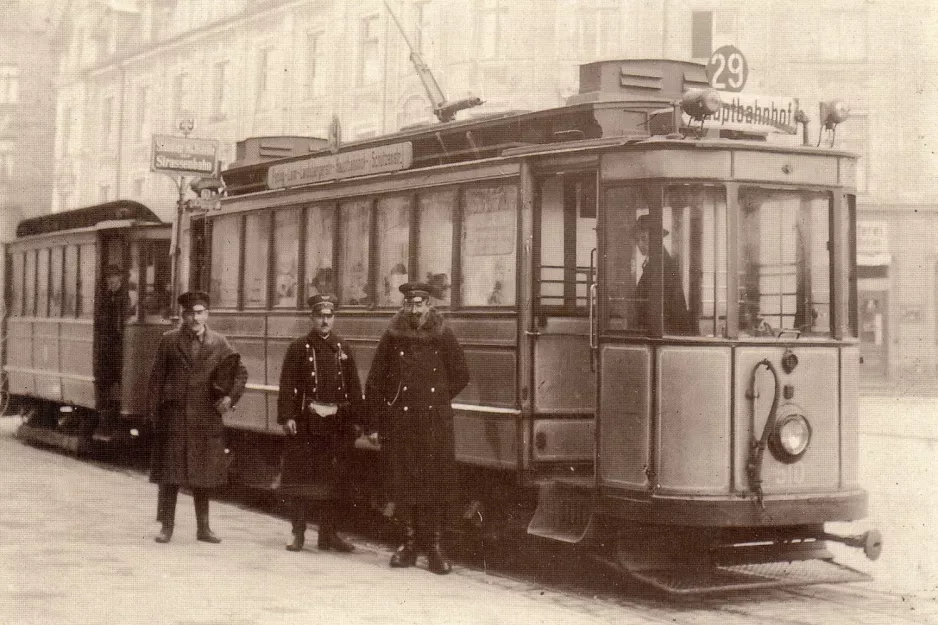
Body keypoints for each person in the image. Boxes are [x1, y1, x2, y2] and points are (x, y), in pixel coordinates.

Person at [365, 282, 469, 575]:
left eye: (420, 304)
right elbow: (375, 380)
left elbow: (461, 374)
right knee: (405, 483)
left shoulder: (443, 334)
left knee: (433, 483)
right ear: (404, 306)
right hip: (402, 421)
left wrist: (436, 399)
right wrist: (376, 420)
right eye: (410, 305)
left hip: (434, 422)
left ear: (429, 306)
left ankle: (434, 548)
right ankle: (408, 545)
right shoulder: (393, 335)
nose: (414, 310)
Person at [147, 290, 248, 544]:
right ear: (183, 315)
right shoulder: (169, 340)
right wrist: (154, 414)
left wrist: (229, 399)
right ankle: (166, 527)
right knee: (171, 475)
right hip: (175, 417)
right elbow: (156, 378)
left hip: (205, 417)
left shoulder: (220, 343)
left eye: (200, 313)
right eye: (190, 313)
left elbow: (240, 373)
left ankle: (204, 528)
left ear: (207, 315)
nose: (194, 318)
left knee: (203, 476)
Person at [277, 294, 365, 553]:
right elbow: (287, 385)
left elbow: (354, 388)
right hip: (306, 424)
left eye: (329, 316)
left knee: (333, 482)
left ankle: (329, 535)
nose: (325, 321)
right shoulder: (299, 347)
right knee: (301, 481)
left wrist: (358, 419)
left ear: (334, 318)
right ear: (312, 318)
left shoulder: (343, 347)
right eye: (320, 316)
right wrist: (288, 416)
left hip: (336, 425)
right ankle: (298, 534)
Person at [85, 264, 130, 452]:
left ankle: (112, 419)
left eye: (114, 277)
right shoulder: (106, 297)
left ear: (120, 278)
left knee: (116, 379)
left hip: (120, 346)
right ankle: (105, 420)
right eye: (108, 278)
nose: (111, 281)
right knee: (104, 380)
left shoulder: (124, 297)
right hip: (107, 346)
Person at [633, 214, 695, 335]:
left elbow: (666, 307)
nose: (640, 244)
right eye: (637, 239)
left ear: (656, 239)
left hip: (665, 333)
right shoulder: (657, 261)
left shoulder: (662, 264)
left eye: (644, 238)